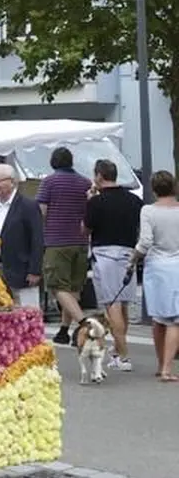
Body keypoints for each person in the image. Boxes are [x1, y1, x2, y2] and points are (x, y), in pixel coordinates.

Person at [85, 158, 142, 371]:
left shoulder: (96, 202)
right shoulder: (134, 201)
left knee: (112, 304)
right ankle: (119, 351)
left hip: (104, 254)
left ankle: (123, 355)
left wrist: (89, 200)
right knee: (124, 303)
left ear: (99, 175)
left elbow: (86, 229)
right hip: (128, 253)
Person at [37, 146, 91, 345]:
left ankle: (84, 324)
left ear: (53, 162)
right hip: (80, 241)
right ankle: (63, 330)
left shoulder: (49, 182)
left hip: (56, 241)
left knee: (57, 287)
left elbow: (41, 211)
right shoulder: (85, 183)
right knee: (73, 289)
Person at [128, 171, 179, 381]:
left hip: (156, 267)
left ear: (153, 189)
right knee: (175, 320)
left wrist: (134, 258)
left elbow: (146, 241)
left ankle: (161, 365)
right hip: (177, 266)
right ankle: (167, 368)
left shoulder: (148, 210)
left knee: (158, 318)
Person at [0, 163, 44, 308]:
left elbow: (37, 239)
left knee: (27, 313)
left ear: (13, 182)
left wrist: (34, 270)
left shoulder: (28, 206)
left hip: (20, 269)